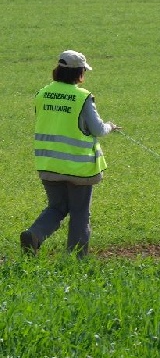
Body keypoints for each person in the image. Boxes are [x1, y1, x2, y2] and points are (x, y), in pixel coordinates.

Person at [20, 50, 119, 258]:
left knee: (56, 207)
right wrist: (111, 126)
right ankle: (76, 259)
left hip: (49, 164)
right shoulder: (82, 97)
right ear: (79, 72)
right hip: (79, 167)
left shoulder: (42, 93)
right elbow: (98, 129)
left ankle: (35, 235)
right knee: (80, 212)